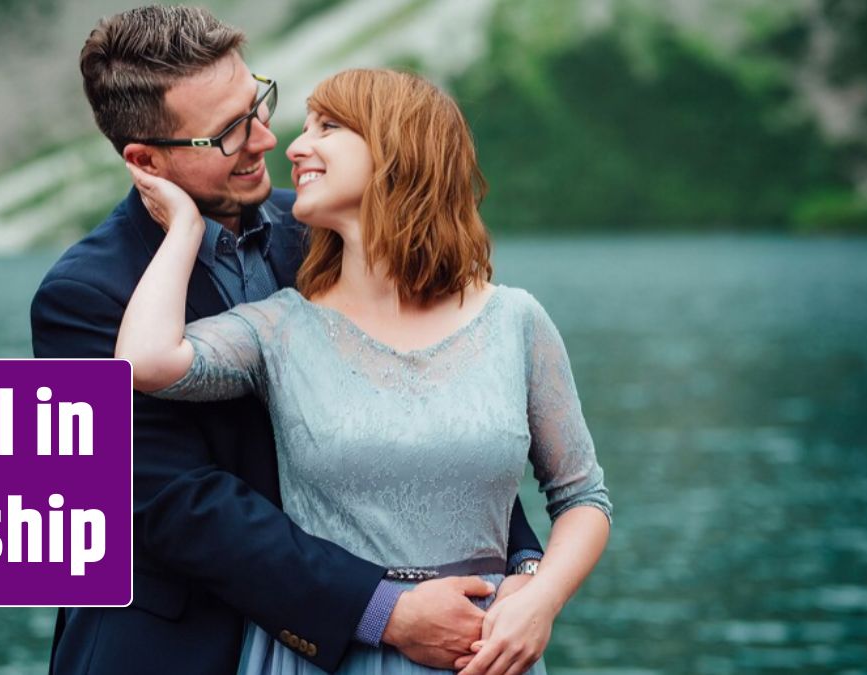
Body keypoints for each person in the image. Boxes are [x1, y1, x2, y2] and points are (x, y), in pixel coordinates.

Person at [32, 6, 547, 675]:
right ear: (145, 160)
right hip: (179, 651)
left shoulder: (318, 225)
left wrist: (520, 566)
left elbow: (435, 398)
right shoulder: (82, 297)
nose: (265, 140)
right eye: (227, 134)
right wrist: (385, 609)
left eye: (257, 104)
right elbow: (177, 503)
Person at [115, 67, 612, 675]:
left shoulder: (516, 320)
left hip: (483, 656)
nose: (294, 146)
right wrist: (185, 227)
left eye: (329, 126)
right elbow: (142, 363)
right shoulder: (280, 327)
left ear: (399, 149)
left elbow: (582, 495)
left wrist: (541, 596)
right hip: (329, 657)